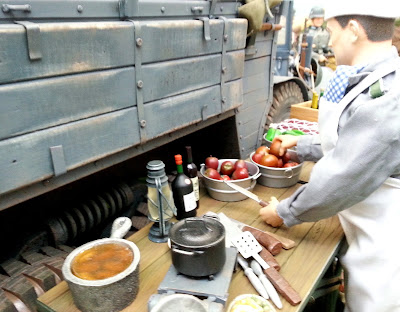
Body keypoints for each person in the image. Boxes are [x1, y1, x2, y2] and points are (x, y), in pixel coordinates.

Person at [259, 2, 400, 311]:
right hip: (364, 223)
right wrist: (297, 146)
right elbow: (351, 141)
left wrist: (284, 213)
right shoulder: (369, 80)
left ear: (353, 31)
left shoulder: (388, 97)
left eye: (331, 31)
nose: (330, 40)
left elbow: (342, 177)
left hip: (387, 243)